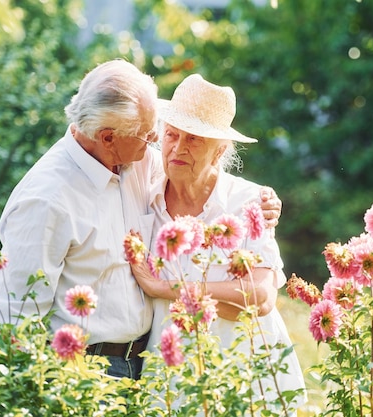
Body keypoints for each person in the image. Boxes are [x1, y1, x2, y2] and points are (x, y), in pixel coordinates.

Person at [0, 59, 282, 380]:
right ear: (108, 137)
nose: (156, 141)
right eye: (146, 135)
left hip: (147, 366)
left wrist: (262, 202)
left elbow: (201, 174)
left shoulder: (135, 162)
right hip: (83, 371)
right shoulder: (47, 199)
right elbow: (14, 319)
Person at [129, 74, 306, 412]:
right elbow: (239, 301)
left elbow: (260, 297)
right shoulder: (143, 192)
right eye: (172, 134)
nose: (179, 148)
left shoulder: (248, 202)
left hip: (247, 376)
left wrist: (166, 288)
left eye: (194, 140)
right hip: (171, 377)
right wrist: (223, 297)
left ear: (220, 150)